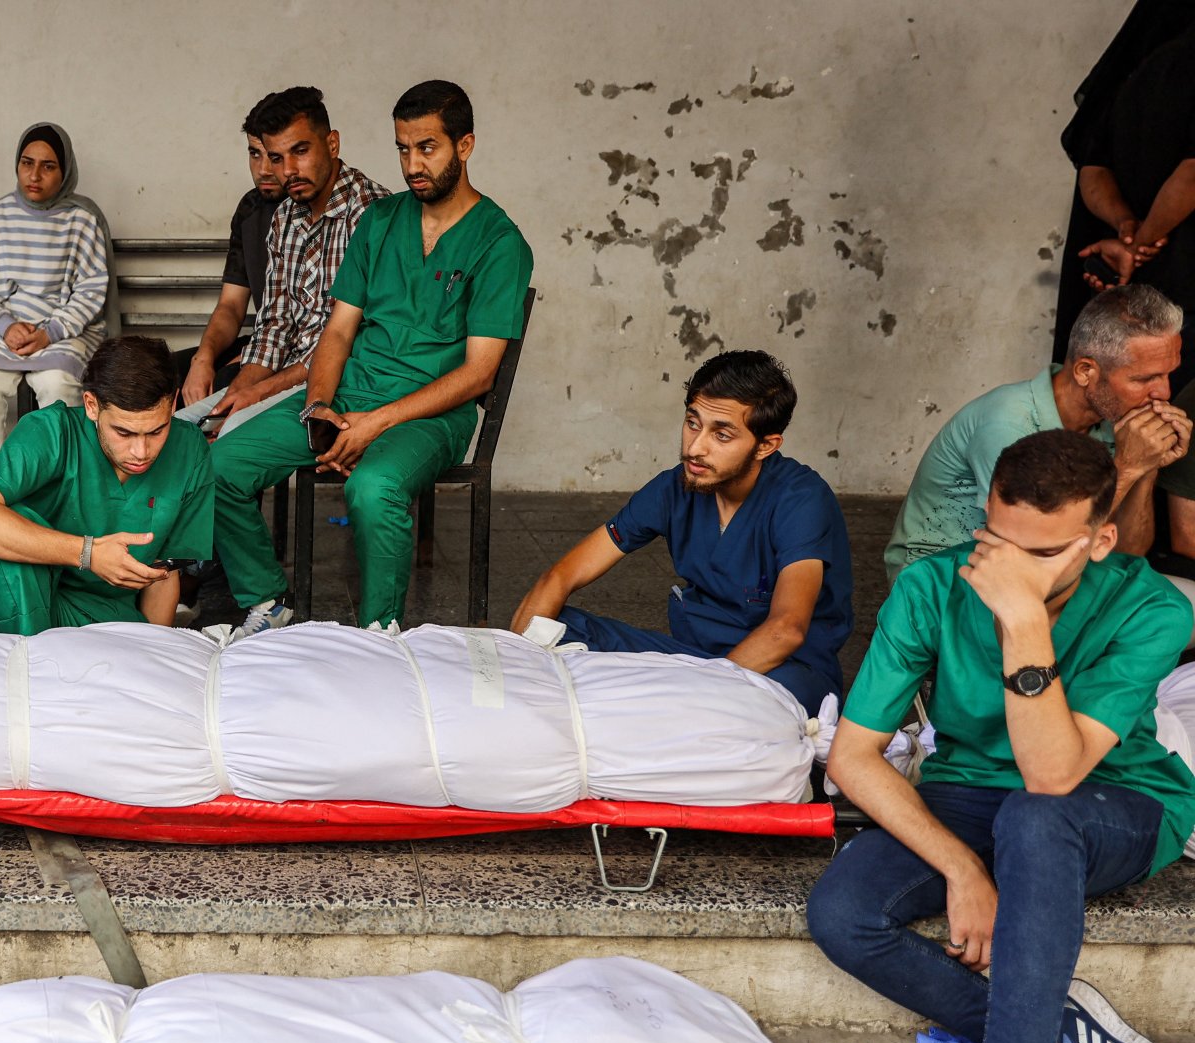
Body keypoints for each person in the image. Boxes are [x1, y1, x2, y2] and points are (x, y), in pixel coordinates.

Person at [809, 428, 1194, 1043]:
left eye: (1040, 553)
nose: (1005, 567)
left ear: (1099, 540)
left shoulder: (1152, 605)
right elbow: (852, 755)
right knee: (842, 910)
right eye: (995, 543)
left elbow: (1053, 774)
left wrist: (1024, 619)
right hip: (971, 796)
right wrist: (960, 869)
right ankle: (1055, 1036)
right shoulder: (932, 584)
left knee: (1035, 815)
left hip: (1111, 800)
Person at [208, 80, 532, 635]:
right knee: (219, 466)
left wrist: (374, 424)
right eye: (403, 149)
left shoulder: (500, 244)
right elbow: (337, 332)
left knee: (373, 487)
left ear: (466, 145)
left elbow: (478, 375)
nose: (412, 165)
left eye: (427, 147)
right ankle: (267, 600)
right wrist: (319, 409)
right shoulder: (380, 222)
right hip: (351, 395)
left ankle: (380, 633)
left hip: (430, 416)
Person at [508, 350, 852, 713]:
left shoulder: (801, 499)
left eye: (722, 435)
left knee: (779, 703)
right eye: (692, 422)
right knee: (554, 625)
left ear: (766, 445)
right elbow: (562, 575)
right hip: (693, 662)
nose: (695, 447)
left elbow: (787, 629)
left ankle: (670, 709)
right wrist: (516, 659)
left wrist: (698, 696)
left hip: (781, 671)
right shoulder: (675, 488)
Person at [885, 285, 1187, 581]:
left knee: (1172, 605)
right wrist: (1128, 465)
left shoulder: (1115, 421)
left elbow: (1126, 557)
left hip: (1043, 573)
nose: (1164, 392)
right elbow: (1038, 547)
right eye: (1144, 378)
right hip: (946, 584)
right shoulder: (1009, 423)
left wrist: (1147, 465)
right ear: (1085, 371)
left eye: (1167, 374)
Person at [0, 336, 213, 634]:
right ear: (91, 406)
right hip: (27, 604)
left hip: (111, 618)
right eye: (123, 433)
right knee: (12, 527)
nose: (141, 452)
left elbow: (163, 575)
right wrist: (88, 553)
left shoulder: (189, 449)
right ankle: (26, 668)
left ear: (173, 403)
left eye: (156, 431)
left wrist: (154, 652)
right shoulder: (50, 432)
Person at [195, 87, 389, 430]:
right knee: (184, 430)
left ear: (332, 144)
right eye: (276, 158)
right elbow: (275, 326)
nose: (288, 171)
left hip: (342, 389)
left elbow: (358, 338)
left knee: (218, 454)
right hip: (284, 381)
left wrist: (260, 393)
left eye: (300, 152)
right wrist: (234, 399)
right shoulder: (285, 217)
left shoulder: (373, 215)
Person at [0, 122, 116, 468]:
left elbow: (91, 290)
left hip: (63, 332)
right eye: (27, 163)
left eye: (48, 166)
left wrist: (50, 332)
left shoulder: (82, 220)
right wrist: (4, 325)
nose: (34, 175)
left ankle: (60, 478)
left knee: (59, 384)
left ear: (66, 170)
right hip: (4, 332)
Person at [1064, 23, 1195, 398]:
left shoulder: (1135, 69)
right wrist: (1144, 240)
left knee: (1115, 399)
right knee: (1167, 410)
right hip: (1182, 278)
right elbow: (1191, 177)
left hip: (1128, 280)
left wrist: (1126, 229)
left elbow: (1092, 169)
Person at [178, 106, 287, 404]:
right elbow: (231, 306)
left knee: (220, 388)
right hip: (262, 344)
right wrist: (203, 358)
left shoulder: (311, 210)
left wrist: (247, 361)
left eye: (274, 156)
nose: (264, 169)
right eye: (255, 154)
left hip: (296, 355)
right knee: (161, 374)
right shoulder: (250, 208)